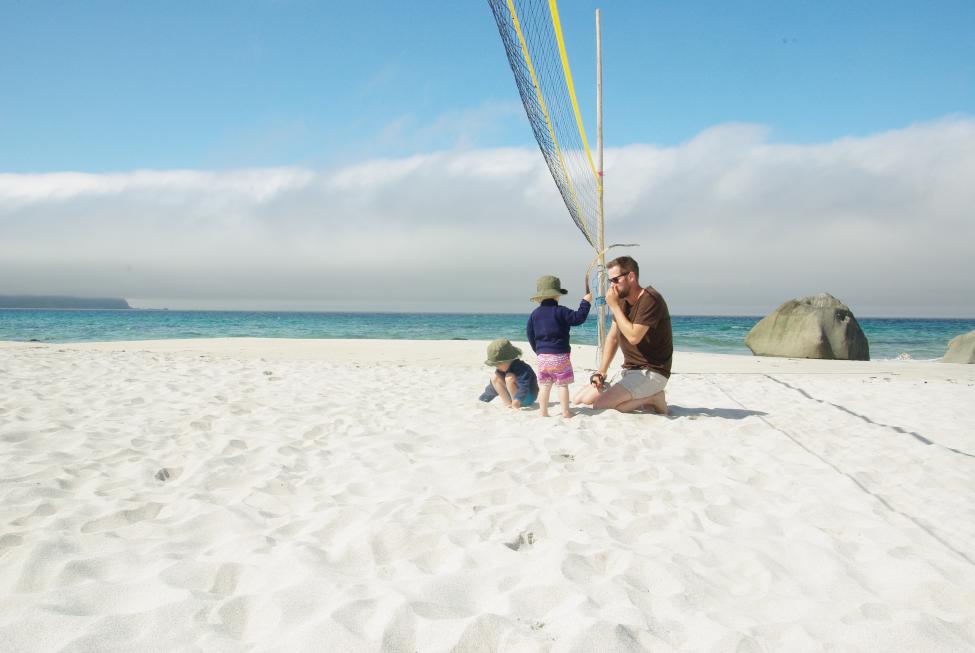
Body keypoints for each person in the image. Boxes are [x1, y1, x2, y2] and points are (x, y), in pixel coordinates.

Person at [573, 256, 673, 414]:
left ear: (631, 276)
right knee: (581, 399)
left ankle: (654, 398)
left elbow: (634, 337)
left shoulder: (651, 299)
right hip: (630, 370)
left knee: (601, 405)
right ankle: (635, 397)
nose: (611, 285)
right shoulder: (621, 300)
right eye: (610, 281)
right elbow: (613, 338)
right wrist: (601, 372)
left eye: (615, 280)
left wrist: (614, 306)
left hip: (653, 372)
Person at [527, 275, 591, 417]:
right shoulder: (561, 311)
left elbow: (530, 334)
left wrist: (538, 350)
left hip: (542, 357)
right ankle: (565, 411)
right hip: (560, 356)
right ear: (557, 295)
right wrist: (585, 302)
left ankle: (543, 412)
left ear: (539, 297)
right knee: (562, 385)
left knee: (545, 385)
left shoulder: (534, 314)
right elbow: (578, 318)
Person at [478, 338, 539, 409]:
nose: (496, 366)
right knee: (495, 377)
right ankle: (508, 404)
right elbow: (493, 387)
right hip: (514, 395)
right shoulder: (501, 369)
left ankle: (515, 404)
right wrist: (484, 398)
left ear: (507, 360)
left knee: (509, 377)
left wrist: (517, 399)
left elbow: (524, 386)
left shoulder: (522, 368)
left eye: (498, 364)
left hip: (527, 396)